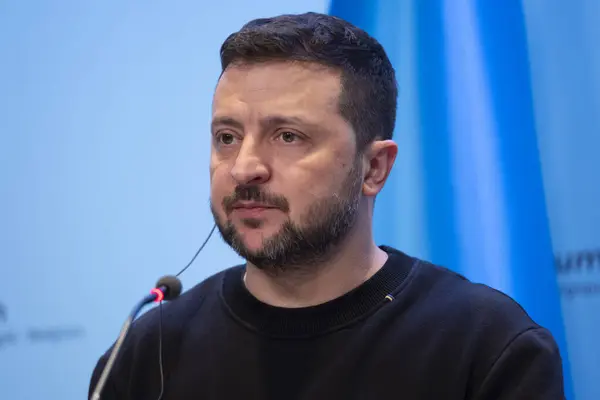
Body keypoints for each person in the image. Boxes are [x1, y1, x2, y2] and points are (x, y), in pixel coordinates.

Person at [89, 12, 565, 400]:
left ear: (374, 168)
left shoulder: (487, 348)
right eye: (227, 137)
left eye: (288, 136)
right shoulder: (144, 354)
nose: (244, 167)